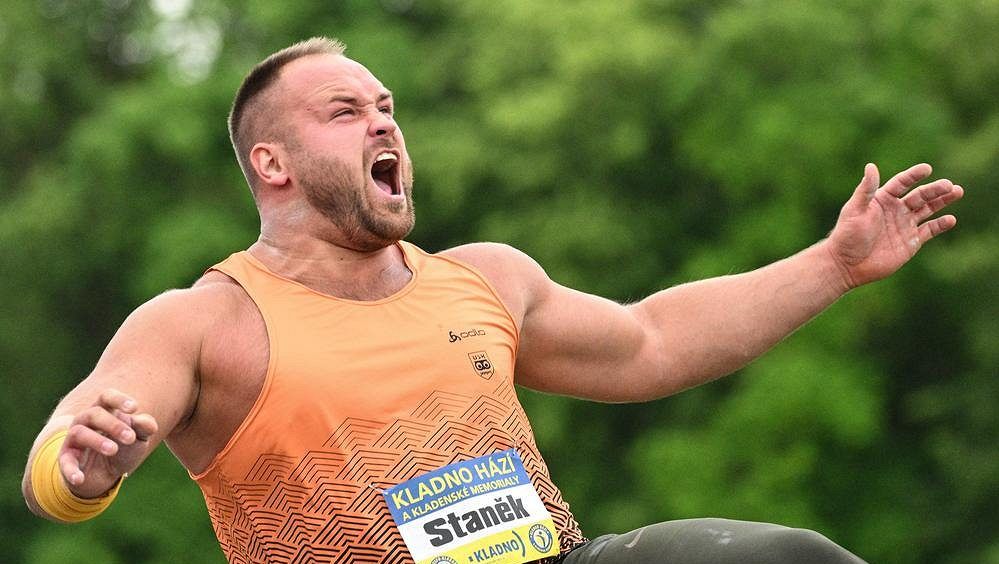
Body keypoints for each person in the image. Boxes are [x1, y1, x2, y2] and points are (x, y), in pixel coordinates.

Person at [21, 37, 963, 564]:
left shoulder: (482, 278)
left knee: (779, 561)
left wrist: (833, 265)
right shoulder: (204, 319)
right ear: (273, 162)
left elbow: (651, 341)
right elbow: (60, 457)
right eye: (344, 113)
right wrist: (84, 468)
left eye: (386, 106)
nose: (383, 120)